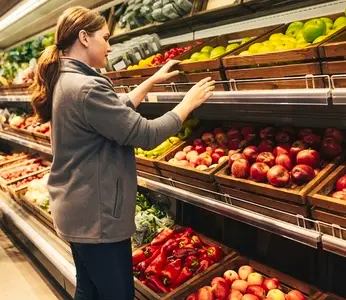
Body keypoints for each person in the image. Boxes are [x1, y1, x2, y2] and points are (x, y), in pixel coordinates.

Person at [30, 6, 215, 300]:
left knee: (89, 289)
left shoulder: (66, 80)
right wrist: (187, 104)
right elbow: (146, 134)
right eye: (105, 37)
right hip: (97, 217)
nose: (110, 46)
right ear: (84, 38)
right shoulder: (86, 87)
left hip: (77, 211)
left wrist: (151, 81)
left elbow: (113, 111)